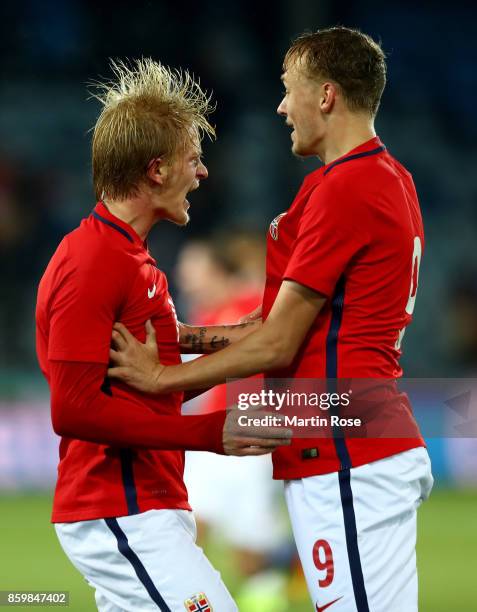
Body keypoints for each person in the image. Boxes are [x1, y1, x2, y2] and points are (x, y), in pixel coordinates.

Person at [108, 28, 434, 612]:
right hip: (334, 439)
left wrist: (160, 379)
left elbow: (279, 343)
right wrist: (176, 339)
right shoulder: (374, 181)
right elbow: (274, 323)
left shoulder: (349, 187)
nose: (282, 106)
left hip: (346, 444)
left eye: (289, 90)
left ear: (327, 96)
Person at [35, 58, 291, 612]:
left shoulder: (129, 258)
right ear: (156, 170)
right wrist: (207, 433)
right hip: (119, 507)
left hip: (148, 503)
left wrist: (237, 339)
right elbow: (72, 410)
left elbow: (152, 383)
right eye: (193, 160)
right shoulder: (92, 261)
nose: (202, 174)